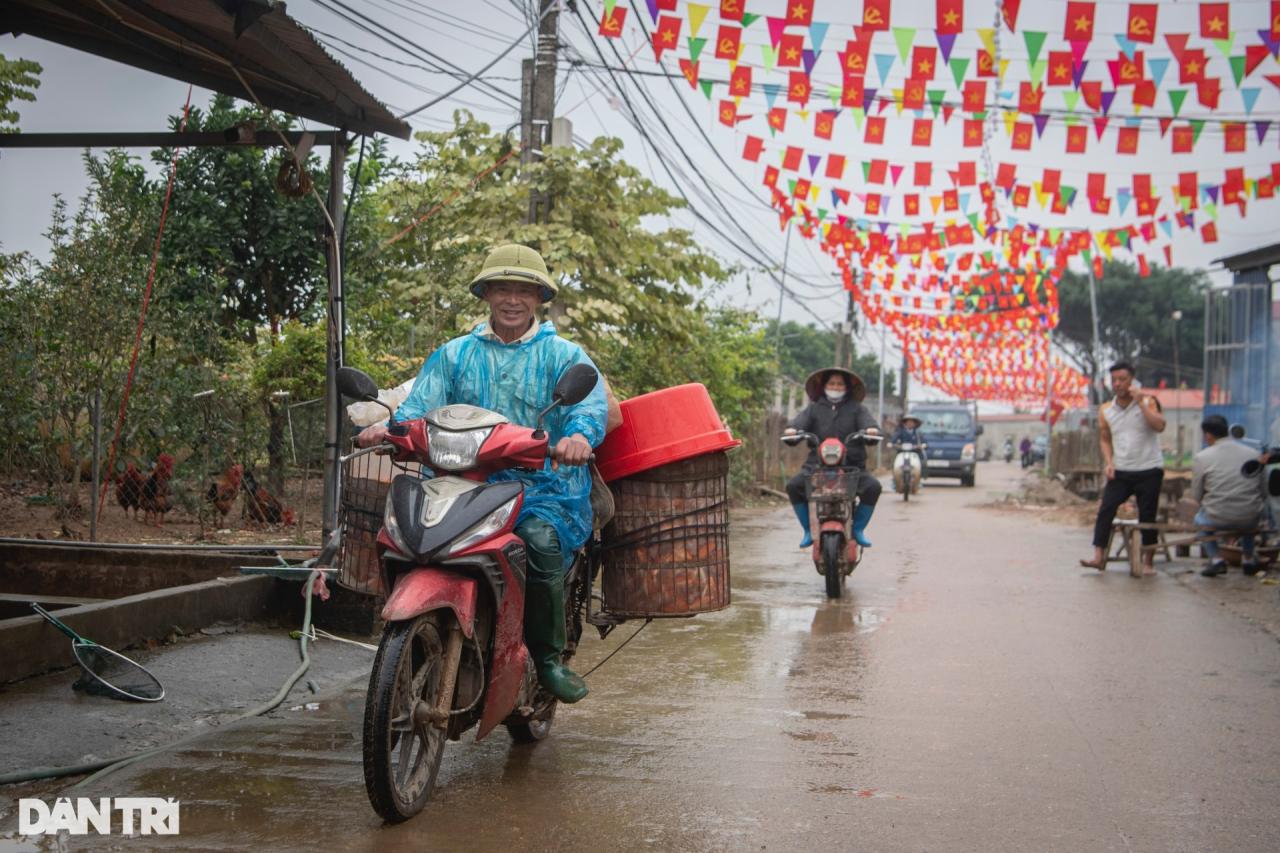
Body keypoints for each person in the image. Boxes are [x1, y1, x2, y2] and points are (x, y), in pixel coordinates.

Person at [357, 243, 607, 704]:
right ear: (487, 294)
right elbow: (417, 406)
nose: (512, 299)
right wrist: (386, 428)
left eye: (523, 290)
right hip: (466, 481)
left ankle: (547, 658)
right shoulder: (454, 355)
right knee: (413, 532)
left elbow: (587, 411)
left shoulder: (564, 355)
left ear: (538, 297)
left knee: (538, 540)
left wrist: (578, 438)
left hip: (544, 487)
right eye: (502, 289)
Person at [1079, 361, 1167, 575]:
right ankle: (1098, 556)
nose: (1118, 384)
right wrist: (1110, 462)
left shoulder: (1148, 401)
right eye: (1114, 380)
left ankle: (1148, 562)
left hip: (1149, 468)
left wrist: (1141, 404)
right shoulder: (1106, 410)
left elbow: (1160, 426)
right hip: (1121, 470)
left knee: (1147, 514)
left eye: (1122, 379)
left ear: (1132, 381)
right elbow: (1105, 439)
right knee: (1106, 508)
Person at [784, 367, 882, 549]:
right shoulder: (814, 409)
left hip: (852, 467)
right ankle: (808, 529)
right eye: (831, 383)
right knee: (793, 486)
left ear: (847, 388)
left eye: (839, 384)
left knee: (872, 487)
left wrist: (870, 430)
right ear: (824, 386)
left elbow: (870, 425)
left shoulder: (857, 409)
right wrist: (793, 430)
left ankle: (858, 529)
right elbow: (798, 424)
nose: (835, 387)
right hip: (817, 467)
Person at [1191, 415, 1267, 577]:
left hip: (1217, 517)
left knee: (1198, 521)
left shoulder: (1202, 457)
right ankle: (1247, 559)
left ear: (1208, 435)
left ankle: (1216, 560)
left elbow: (1195, 497)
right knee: (1249, 516)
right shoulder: (1254, 454)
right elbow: (1263, 491)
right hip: (1250, 516)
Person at [891, 413, 927, 481]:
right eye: (908, 422)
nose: (910, 423)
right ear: (905, 423)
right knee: (895, 463)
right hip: (902, 452)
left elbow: (924, 441)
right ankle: (895, 479)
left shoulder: (918, 433)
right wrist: (893, 444)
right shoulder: (900, 432)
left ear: (915, 424)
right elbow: (894, 440)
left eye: (912, 422)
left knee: (921, 462)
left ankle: (920, 478)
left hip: (915, 452)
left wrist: (922, 445)